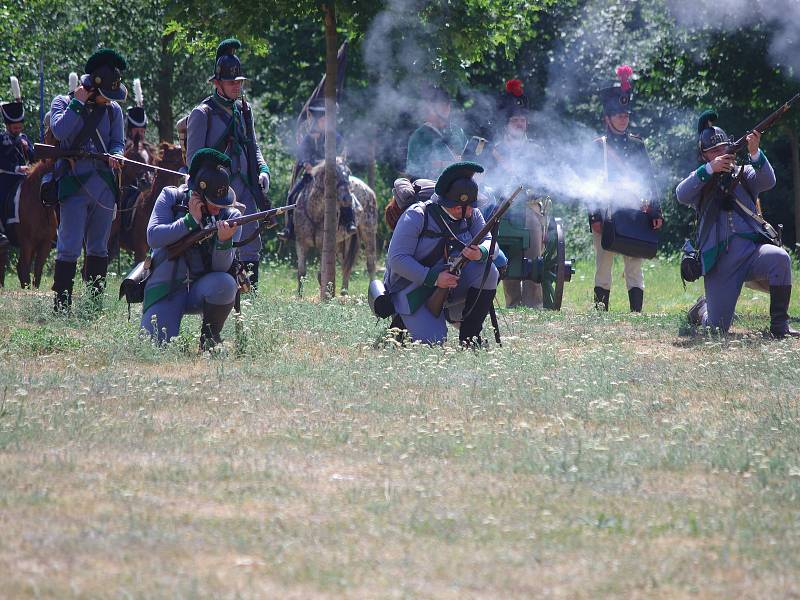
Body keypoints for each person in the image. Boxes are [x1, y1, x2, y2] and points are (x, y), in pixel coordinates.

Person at [678, 110, 798, 337]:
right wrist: (710, 169)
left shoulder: (744, 174)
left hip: (752, 253)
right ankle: (702, 309)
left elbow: (768, 181)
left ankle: (779, 327)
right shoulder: (701, 180)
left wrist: (755, 152)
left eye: (723, 147)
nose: (720, 152)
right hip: (720, 261)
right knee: (716, 328)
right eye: (713, 151)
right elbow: (681, 194)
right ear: (704, 155)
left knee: (781, 258)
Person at [384, 161, 499, 346]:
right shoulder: (417, 215)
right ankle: (401, 322)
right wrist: (434, 278)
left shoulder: (472, 214)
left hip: (451, 283)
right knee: (434, 342)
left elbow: (492, 245)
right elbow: (397, 259)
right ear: (454, 205)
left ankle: (470, 337)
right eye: (467, 206)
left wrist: (480, 253)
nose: (472, 210)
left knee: (490, 271)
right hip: (413, 288)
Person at [186, 38, 271, 290]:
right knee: (224, 243)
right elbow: (194, 159)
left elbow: (252, 145)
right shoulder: (202, 113)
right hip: (217, 194)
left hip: (245, 185)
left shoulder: (244, 110)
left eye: (239, 82)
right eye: (232, 82)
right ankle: (224, 295)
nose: (237, 86)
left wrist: (263, 168)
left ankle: (250, 296)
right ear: (216, 83)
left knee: (252, 245)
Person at [49, 48, 127, 311]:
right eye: (107, 93)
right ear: (92, 87)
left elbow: (118, 142)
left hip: (104, 186)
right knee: (69, 245)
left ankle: (94, 305)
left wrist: (117, 154)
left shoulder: (114, 111)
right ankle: (62, 306)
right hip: (73, 184)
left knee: (98, 247)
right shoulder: (63, 102)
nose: (111, 100)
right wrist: (78, 103)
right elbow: (59, 132)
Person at [141, 148, 242, 349]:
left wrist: (223, 242)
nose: (218, 208)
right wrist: (190, 221)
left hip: (201, 287)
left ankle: (209, 339)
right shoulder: (170, 197)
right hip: (165, 288)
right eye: (213, 202)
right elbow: (153, 237)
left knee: (226, 284)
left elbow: (221, 269)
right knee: (155, 348)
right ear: (197, 193)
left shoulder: (231, 217)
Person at [589, 65, 662, 312]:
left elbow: (649, 180)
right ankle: (601, 312)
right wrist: (594, 216)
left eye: (626, 113)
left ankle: (636, 313)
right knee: (604, 265)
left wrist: (655, 212)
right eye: (618, 114)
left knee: (634, 263)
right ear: (607, 118)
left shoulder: (637, 145)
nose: (624, 117)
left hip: (633, 209)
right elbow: (589, 183)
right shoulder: (599, 146)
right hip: (607, 210)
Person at [489, 79, 547, 308]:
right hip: (503, 208)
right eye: (515, 120)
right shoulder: (495, 151)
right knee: (506, 251)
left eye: (523, 120)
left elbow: (544, 179)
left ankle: (534, 304)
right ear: (506, 124)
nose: (520, 124)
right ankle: (513, 303)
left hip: (529, 206)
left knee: (534, 254)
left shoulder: (536, 150)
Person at [278, 98, 355, 240]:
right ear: (318, 121)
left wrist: (336, 160)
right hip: (312, 175)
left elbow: (342, 151)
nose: (325, 122)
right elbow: (302, 155)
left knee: (344, 192)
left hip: (333, 175)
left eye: (326, 120)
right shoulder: (308, 138)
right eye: (323, 120)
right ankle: (289, 228)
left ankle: (349, 221)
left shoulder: (335, 137)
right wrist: (306, 163)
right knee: (292, 196)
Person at [405, 86, 467, 182]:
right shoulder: (419, 137)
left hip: (459, 187)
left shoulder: (458, 131)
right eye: (441, 104)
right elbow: (413, 173)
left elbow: (468, 159)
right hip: (430, 189)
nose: (446, 108)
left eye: (447, 104)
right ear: (430, 107)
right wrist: (443, 164)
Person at [0, 76, 33, 249]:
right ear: (7, 125)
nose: (18, 129)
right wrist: (16, 168)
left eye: (20, 126)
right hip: (7, 178)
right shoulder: (1, 139)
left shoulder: (24, 138)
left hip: (25, 178)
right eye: (14, 126)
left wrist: (28, 149)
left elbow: (34, 158)